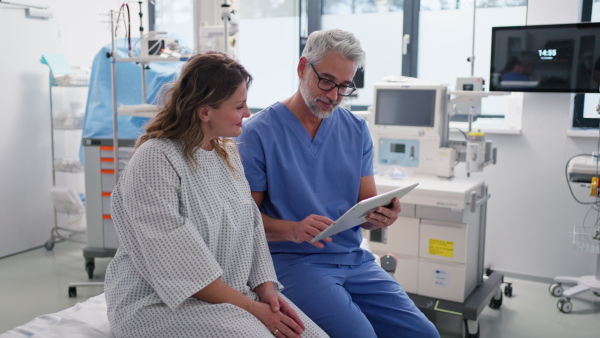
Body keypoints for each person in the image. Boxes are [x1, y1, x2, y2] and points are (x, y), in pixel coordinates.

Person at [103, 52, 328, 338]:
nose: (247, 113)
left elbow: (252, 229)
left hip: (230, 295)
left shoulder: (227, 154)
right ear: (205, 111)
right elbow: (179, 264)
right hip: (159, 302)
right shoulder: (156, 159)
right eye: (239, 106)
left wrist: (267, 292)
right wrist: (252, 308)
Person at [237, 30, 440, 338]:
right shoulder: (259, 133)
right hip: (294, 262)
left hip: (354, 260)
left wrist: (381, 216)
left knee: (424, 334)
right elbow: (243, 220)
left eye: (344, 86)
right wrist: (291, 229)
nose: (333, 95)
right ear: (303, 68)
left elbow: (365, 209)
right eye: (327, 81)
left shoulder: (356, 129)